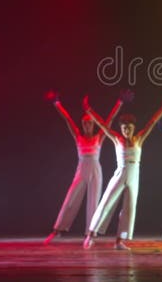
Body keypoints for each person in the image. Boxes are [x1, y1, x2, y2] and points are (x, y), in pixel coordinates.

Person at [82, 94, 162, 250]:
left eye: (129, 127)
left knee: (129, 208)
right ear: (121, 128)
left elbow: (152, 122)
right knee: (106, 203)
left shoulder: (139, 138)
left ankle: (119, 241)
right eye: (124, 128)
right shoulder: (117, 138)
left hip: (134, 175)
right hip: (120, 173)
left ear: (133, 128)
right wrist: (88, 109)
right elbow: (102, 124)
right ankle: (90, 236)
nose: (126, 130)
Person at [43, 89, 132, 244]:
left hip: (95, 169)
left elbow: (110, 120)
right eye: (84, 122)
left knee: (94, 202)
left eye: (89, 122)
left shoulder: (98, 137)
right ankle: (57, 229)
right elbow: (67, 119)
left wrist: (120, 102)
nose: (87, 125)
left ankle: (90, 234)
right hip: (82, 169)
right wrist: (57, 103)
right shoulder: (78, 136)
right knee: (70, 198)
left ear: (93, 124)